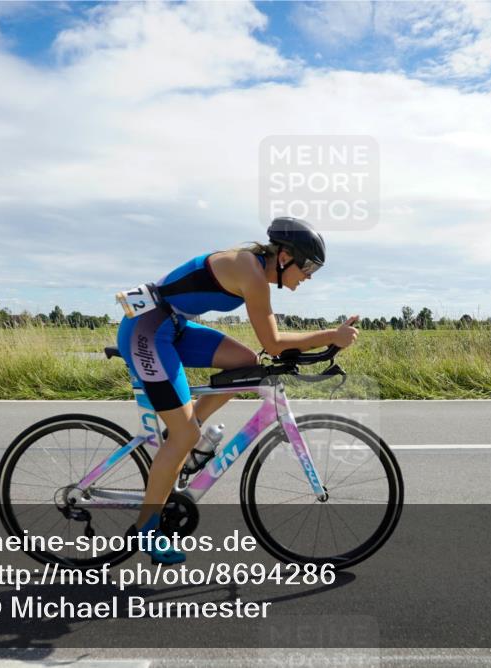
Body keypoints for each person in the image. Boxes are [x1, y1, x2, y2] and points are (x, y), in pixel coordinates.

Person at [116, 217, 359, 564]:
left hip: (171, 324)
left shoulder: (254, 268)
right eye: (307, 266)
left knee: (244, 362)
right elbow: (273, 343)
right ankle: (148, 526)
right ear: (286, 256)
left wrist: (326, 340)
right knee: (183, 436)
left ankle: (184, 436)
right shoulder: (252, 274)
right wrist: (330, 336)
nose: (308, 276)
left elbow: (264, 348)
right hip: (148, 329)